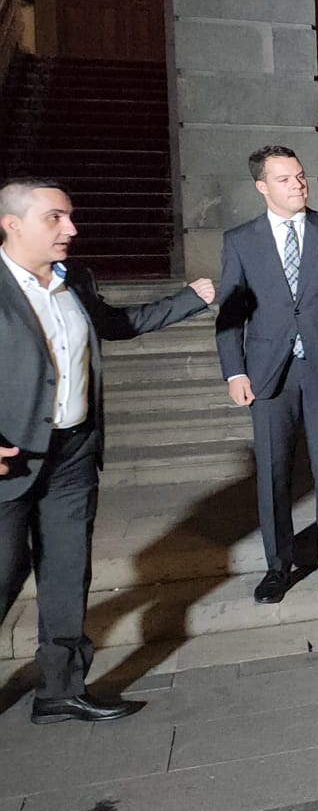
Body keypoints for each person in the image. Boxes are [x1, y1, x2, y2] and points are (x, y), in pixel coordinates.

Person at [2, 178, 213, 723]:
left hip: (73, 452)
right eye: (55, 218)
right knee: (4, 573)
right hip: (10, 460)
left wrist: (191, 299)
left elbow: (118, 325)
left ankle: (61, 690)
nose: (70, 229)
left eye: (70, 217)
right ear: (13, 224)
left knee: (67, 572)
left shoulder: (76, 281)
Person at [214, 147, 318, 605]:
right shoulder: (241, 241)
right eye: (285, 179)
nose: (298, 185)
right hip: (269, 372)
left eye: (301, 177)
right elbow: (229, 316)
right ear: (262, 187)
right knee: (272, 472)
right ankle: (277, 566)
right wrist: (234, 372)